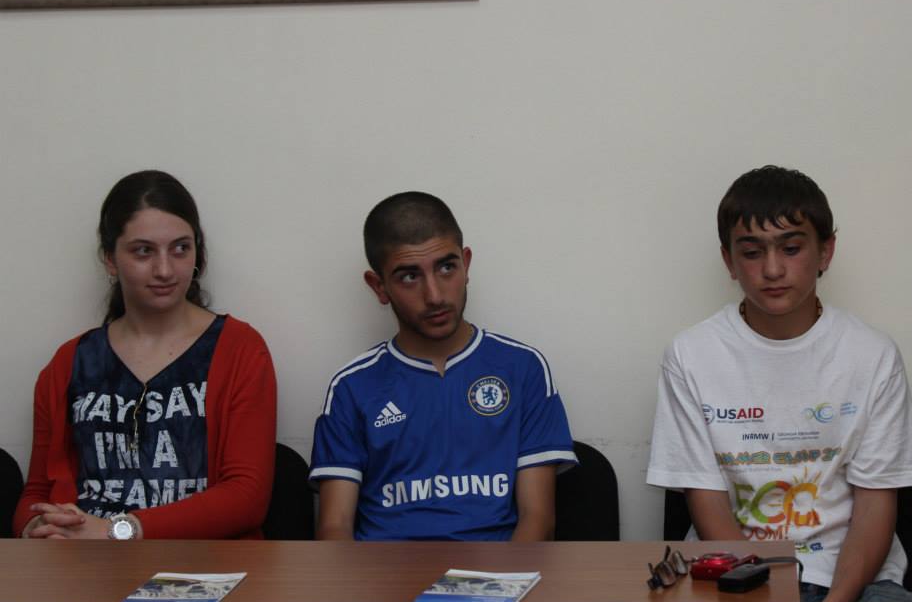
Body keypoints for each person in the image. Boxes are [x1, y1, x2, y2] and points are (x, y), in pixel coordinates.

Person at [646, 166, 912, 602]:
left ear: (825, 252)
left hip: (856, 581)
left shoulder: (873, 355)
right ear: (729, 261)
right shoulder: (690, 355)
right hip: (734, 574)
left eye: (792, 248)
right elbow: (706, 501)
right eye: (751, 252)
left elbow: (875, 505)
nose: (773, 269)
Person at [14, 170, 277, 540]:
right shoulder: (69, 362)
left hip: (203, 563)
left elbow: (246, 498)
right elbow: (37, 492)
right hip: (83, 563)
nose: (164, 270)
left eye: (180, 248)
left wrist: (117, 531)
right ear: (110, 259)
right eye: (143, 251)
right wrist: (39, 529)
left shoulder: (239, 349)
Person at [310, 191, 577, 541]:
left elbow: (538, 519)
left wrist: (503, 578)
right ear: (379, 287)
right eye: (409, 276)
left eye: (446, 267)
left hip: (496, 570)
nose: (434, 296)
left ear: (466, 265)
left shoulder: (523, 368)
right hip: (384, 571)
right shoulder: (352, 387)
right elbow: (335, 528)